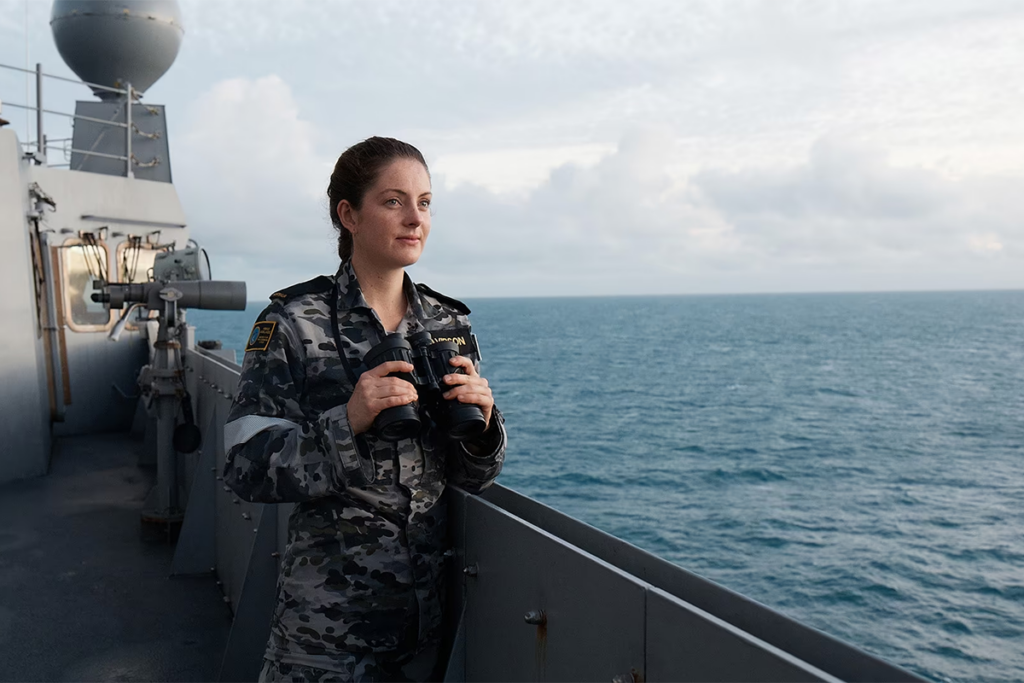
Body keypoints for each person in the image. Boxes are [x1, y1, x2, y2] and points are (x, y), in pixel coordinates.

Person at [223, 136, 506, 682]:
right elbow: (242, 464)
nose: (414, 219)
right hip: (323, 632)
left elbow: (475, 475)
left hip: (422, 626)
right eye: (394, 201)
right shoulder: (294, 322)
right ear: (348, 214)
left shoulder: (449, 326)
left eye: (424, 203)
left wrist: (484, 428)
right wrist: (348, 421)